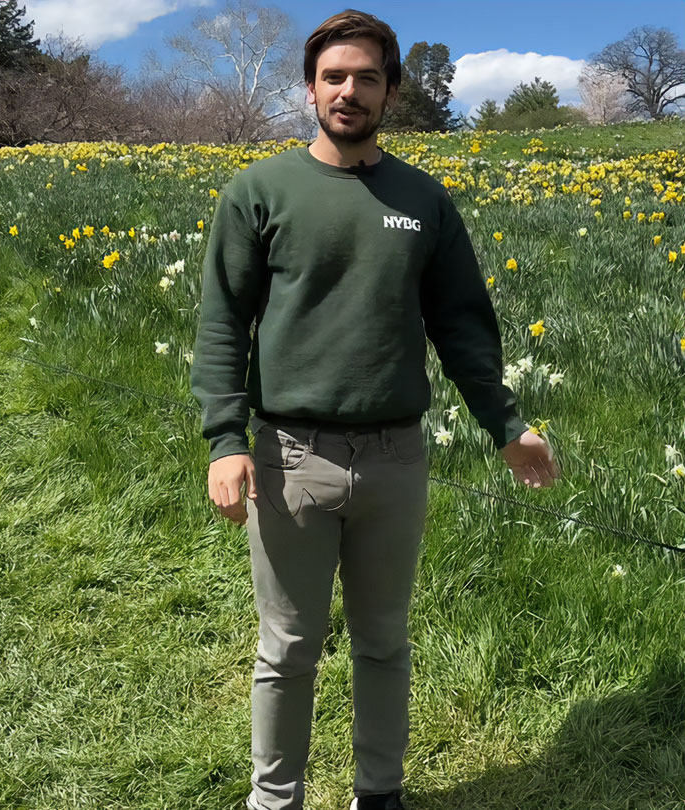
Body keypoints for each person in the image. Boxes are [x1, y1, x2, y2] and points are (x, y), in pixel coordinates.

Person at [190, 9, 560, 810]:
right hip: (291, 456)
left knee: (384, 641)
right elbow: (222, 321)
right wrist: (226, 440)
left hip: (397, 458)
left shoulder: (424, 200)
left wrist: (507, 423)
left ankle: (379, 793)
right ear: (311, 88)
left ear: (391, 89)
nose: (348, 91)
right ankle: (273, 798)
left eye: (366, 77)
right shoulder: (260, 191)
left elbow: (463, 326)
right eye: (333, 77)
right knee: (287, 646)